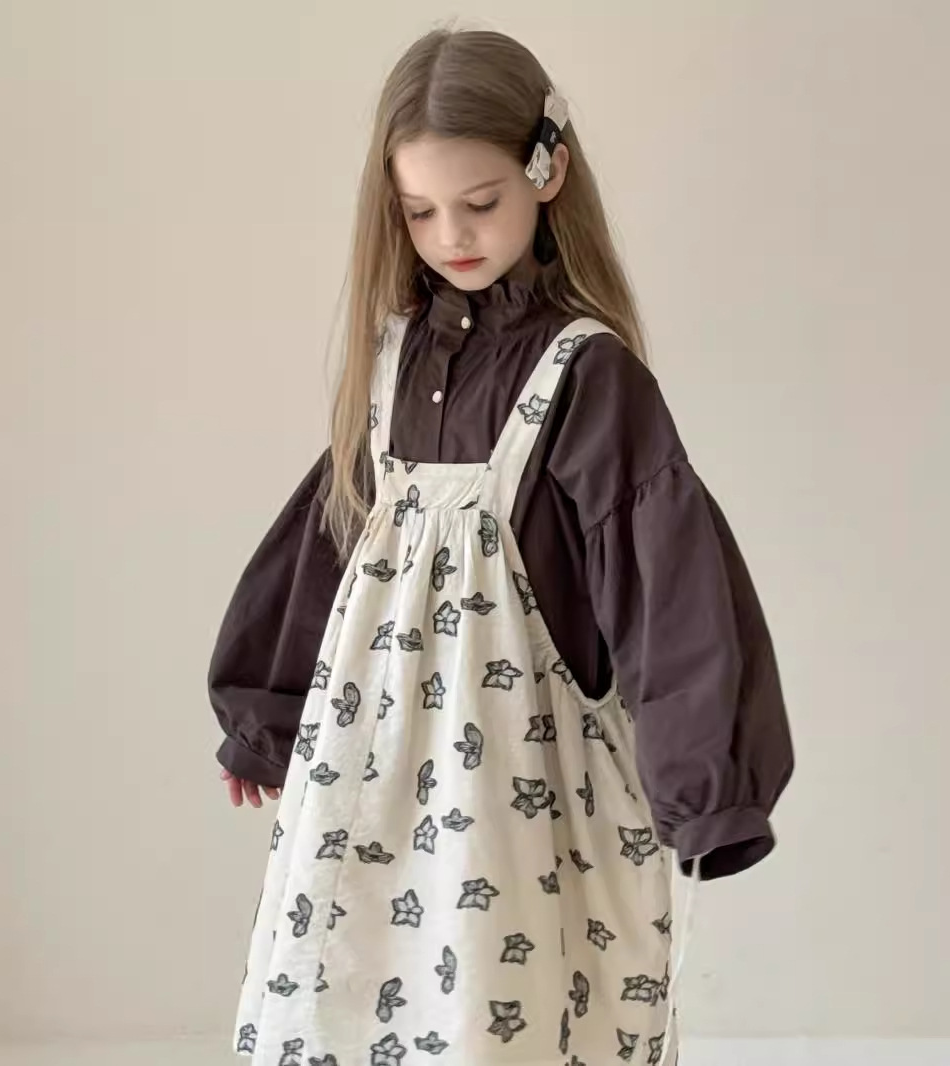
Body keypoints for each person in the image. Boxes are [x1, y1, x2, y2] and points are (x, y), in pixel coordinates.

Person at [207, 27, 793, 1066]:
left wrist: (709, 789)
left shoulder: (589, 375)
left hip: (525, 775)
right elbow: (328, 545)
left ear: (545, 172)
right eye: (420, 211)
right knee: (356, 978)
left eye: (480, 202)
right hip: (371, 763)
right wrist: (266, 711)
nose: (452, 236)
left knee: (500, 991)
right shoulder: (390, 365)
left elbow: (665, 583)